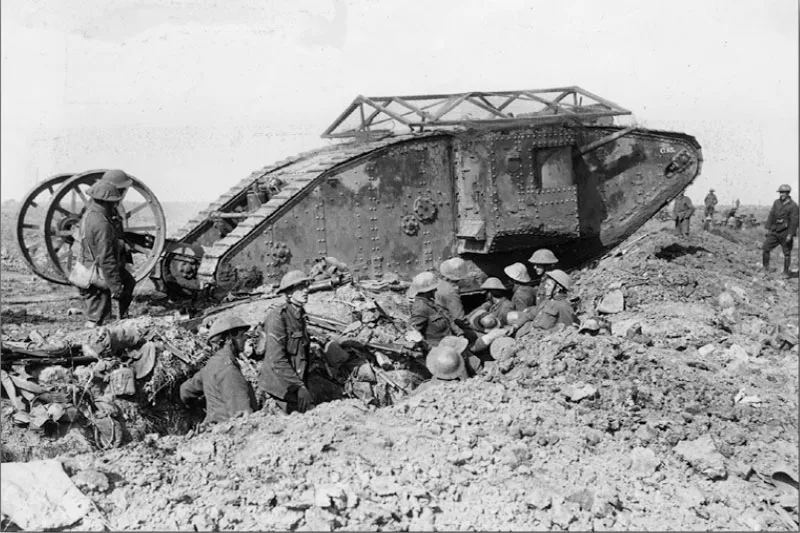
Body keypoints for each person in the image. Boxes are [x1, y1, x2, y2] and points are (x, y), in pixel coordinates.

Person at [78, 181, 136, 327]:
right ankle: (93, 333)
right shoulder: (101, 224)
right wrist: (115, 286)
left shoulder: (89, 216)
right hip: (95, 274)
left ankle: (121, 320)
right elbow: (106, 258)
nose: (116, 205)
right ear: (106, 202)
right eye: (113, 202)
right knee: (97, 317)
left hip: (86, 267)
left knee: (129, 281)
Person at [258, 270, 316, 414]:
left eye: (306, 286)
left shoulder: (300, 316)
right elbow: (276, 360)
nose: (306, 290)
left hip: (295, 383)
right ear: (289, 293)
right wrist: (299, 386)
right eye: (300, 287)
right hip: (280, 389)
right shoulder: (278, 317)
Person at [179, 315, 255, 424]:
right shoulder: (229, 371)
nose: (245, 338)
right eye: (241, 335)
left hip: (214, 427)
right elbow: (243, 417)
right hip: (229, 429)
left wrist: (199, 407)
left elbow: (185, 390)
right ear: (228, 339)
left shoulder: (211, 365)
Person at [512, 269, 577, 334]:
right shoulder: (547, 301)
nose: (545, 287)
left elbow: (566, 330)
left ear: (558, 288)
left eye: (548, 285)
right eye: (546, 284)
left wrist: (545, 333)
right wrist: (515, 326)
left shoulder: (563, 306)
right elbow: (530, 315)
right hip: (529, 331)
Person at [408, 271, 459, 347]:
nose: (436, 290)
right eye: (434, 289)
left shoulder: (430, 302)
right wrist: (431, 349)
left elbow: (447, 318)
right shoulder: (420, 308)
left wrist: (459, 333)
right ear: (427, 291)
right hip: (439, 348)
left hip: (449, 341)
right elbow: (412, 333)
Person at [762, 184, 799, 277]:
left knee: (787, 253)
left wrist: (790, 234)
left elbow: (794, 222)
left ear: (788, 193)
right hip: (774, 231)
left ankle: (785, 273)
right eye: (780, 192)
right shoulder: (776, 203)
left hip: (785, 232)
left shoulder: (793, 206)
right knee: (765, 248)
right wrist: (768, 228)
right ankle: (765, 269)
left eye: (783, 192)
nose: (781, 194)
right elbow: (771, 215)